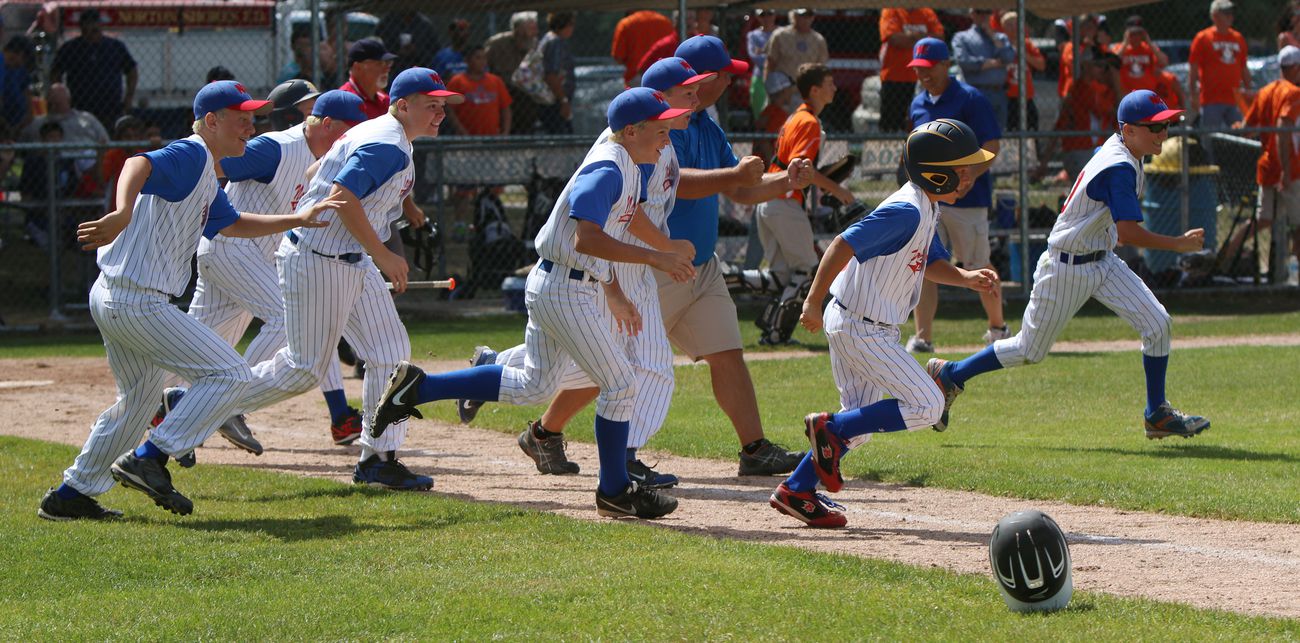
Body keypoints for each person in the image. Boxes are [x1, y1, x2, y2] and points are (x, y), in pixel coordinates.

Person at [371, 87, 696, 518]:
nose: (666, 135)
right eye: (659, 128)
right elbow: (588, 237)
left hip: (566, 283)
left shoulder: (633, 165)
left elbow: (607, 237)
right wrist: (656, 256)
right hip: (566, 289)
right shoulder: (608, 168)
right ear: (632, 130)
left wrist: (614, 291)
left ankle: (420, 387)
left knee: (534, 384)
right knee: (620, 383)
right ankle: (615, 490)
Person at [38, 81, 336, 520]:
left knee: (139, 402)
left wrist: (298, 218)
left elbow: (232, 223)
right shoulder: (192, 153)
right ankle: (149, 458)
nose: (250, 127)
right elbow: (136, 164)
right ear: (211, 121)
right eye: (241, 118)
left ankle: (71, 493)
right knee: (230, 372)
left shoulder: (206, 171)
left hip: (119, 295)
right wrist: (121, 213)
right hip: (137, 300)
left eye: (252, 117)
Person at [179, 68, 457, 496]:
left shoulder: (384, 134)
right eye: (430, 104)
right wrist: (383, 253)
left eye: (442, 105)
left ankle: (379, 459)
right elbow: (344, 194)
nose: (440, 113)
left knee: (391, 353)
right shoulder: (386, 142)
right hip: (320, 260)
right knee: (302, 368)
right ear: (402, 105)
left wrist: (370, 245)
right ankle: (192, 404)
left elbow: (317, 177)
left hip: (345, 257)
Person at [463, 56, 711, 485]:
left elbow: (627, 210)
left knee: (596, 368)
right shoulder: (627, 148)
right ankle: (623, 462)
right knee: (645, 367)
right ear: (655, 102)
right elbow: (613, 221)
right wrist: (661, 253)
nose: (695, 100)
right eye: (685, 94)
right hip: (607, 265)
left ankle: (499, 378)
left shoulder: (658, 141)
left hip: (608, 268)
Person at [927, 90, 1210, 442]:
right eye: (1153, 126)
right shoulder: (1120, 165)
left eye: (1165, 125)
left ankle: (1157, 414)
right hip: (1066, 267)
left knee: (1158, 324)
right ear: (1128, 129)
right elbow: (1127, 232)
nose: (1162, 134)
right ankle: (951, 374)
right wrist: (1178, 244)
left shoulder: (1124, 151)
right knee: (1029, 350)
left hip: (1102, 261)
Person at [769, 119, 1000, 528]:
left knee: (861, 423)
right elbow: (842, 243)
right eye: (962, 169)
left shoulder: (927, 206)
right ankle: (830, 428)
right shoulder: (906, 211)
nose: (970, 177)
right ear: (936, 171)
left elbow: (929, 261)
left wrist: (964, 277)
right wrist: (811, 300)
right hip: (861, 326)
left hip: (862, 323)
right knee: (928, 404)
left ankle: (797, 491)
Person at [652, 35, 812, 477]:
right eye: (725, 74)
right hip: (657, 267)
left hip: (701, 267)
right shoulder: (662, 122)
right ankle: (542, 425)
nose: (730, 81)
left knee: (728, 353)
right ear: (705, 79)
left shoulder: (706, 125)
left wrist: (784, 183)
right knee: (594, 365)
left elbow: (738, 189)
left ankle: (754, 449)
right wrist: (733, 173)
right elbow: (676, 182)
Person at [180, 89, 370, 456]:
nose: (353, 138)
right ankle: (227, 403)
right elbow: (213, 164)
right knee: (287, 320)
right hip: (232, 248)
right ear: (325, 125)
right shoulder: (276, 149)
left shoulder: (328, 161)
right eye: (348, 130)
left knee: (196, 342)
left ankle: (149, 406)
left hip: (246, 257)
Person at [904, 37, 1006, 353]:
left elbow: (991, 146)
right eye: (919, 68)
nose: (924, 74)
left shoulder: (971, 99)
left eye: (930, 66)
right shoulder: (918, 103)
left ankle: (998, 329)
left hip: (967, 200)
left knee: (977, 262)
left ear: (947, 64)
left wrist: (969, 176)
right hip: (929, 199)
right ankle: (923, 337)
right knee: (925, 265)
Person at [753, 62, 855, 346]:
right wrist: (838, 189)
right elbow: (802, 171)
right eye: (829, 83)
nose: (834, 87)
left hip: (769, 199)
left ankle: (729, 282)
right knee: (809, 270)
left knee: (781, 275)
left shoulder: (795, 117)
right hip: (784, 200)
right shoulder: (808, 121)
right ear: (815, 89)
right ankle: (775, 333)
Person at [1223, 46, 1300, 278]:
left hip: (1268, 167)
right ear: (1296, 68)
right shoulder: (1294, 93)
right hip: (1290, 169)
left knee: (1262, 220)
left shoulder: (1266, 91)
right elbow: (1282, 133)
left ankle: (1226, 256)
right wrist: (1286, 172)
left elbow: (1247, 129)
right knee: (1297, 226)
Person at [49, 9, 137, 129]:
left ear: (100, 25)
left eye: (95, 25)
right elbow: (55, 73)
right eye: (88, 25)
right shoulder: (71, 48)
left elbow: (132, 71)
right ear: (82, 27)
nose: (91, 30)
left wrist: (128, 97)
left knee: (109, 139)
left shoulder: (114, 46)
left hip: (110, 108)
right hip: (80, 107)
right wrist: (61, 98)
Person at [1052, 47, 1122, 182]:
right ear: (1086, 66)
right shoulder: (1084, 89)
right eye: (1098, 66)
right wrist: (1116, 83)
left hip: (1083, 150)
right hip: (1082, 150)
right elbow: (1116, 113)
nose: (1102, 70)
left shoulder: (1094, 89)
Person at [877, 7, 944, 132]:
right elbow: (895, 39)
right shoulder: (891, 11)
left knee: (922, 121)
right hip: (895, 78)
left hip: (924, 78)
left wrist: (911, 37)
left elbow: (939, 39)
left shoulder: (926, 12)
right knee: (891, 125)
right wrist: (925, 39)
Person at [1189, 0, 1250, 131]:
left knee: (1241, 137)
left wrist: (1248, 92)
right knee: (1210, 139)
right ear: (1214, 16)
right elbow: (1193, 69)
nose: (1230, 16)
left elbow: (1244, 67)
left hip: (1235, 100)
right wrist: (1193, 95)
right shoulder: (1202, 38)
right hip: (1211, 99)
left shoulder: (1238, 38)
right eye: (1226, 13)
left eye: (1231, 13)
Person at [952, 8, 1016, 127]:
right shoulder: (962, 37)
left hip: (999, 94)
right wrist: (994, 63)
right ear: (972, 14)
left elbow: (1008, 57)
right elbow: (965, 62)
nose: (984, 16)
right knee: (974, 135)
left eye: (987, 12)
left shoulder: (1000, 37)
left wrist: (992, 35)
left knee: (997, 136)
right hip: (975, 92)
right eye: (979, 12)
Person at [765, 9, 829, 118]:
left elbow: (821, 69)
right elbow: (770, 64)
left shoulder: (818, 40)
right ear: (793, 16)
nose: (805, 19)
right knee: (780, 129)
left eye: (809, 15)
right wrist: (769, 89)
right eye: (802, 15)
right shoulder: (780, 36)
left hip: (807, 94)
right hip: (783, 94)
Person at [485, 12, 539, 134]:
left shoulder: (535, 45)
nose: (535, 32)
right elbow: (483, 67)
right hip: (502, 91)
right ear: (518, 29)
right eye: (531, 28)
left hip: (526, 94)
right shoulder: (497, 44)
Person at [446, 45, 513, 136]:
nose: (483, 62)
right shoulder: (457, 81)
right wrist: (462, 132)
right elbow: (449, 110)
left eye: (484, 58)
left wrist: (505, 132)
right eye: (478, 58)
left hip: (492, 137)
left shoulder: (495, 81)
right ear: (467, 61)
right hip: (467, 138)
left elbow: (506, 108)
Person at [1001, 11, 1045, 132]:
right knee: (1010, 129)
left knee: (1032, 126)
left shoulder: (1026, 44)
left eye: (1016, 24)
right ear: (1003, 27)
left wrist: (1023, 53)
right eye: (1010, 25)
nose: (1014, 28)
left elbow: (1041, 65)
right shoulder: (1000, 44)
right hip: (1007, 96)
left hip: (1026, 95)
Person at [612, 10, 675, 85]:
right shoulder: (665, 21)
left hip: (636, 77)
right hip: (664, 76)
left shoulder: (626, 23)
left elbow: (619, 57)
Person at [538, 12, 577, 135]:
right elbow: (551, 74)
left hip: (553, 98)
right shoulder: (555, 42)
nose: (572, 28)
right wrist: (563, 100)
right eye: (571, 24)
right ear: (562, 25)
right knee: (562, 135)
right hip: (555, 100)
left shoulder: (548, 38)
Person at [339, 38, 396, 120]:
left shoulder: (385, 100)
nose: (387, 69)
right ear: (358, 67)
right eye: (379, 64)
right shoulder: (344, 101)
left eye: (387, 63)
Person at [1111, 17, 1168, 94]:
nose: (1136, 37)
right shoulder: (1119, 48)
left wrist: (1149, 42)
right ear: (1127, 34)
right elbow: (1112, 63)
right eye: (1133, 34)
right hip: (1127, 94)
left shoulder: (1148, 48)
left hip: (1147, 93)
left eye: (1139, 33)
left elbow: (1163, 62)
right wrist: (1125, 43)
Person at [376, 10, 439, 78]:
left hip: (419, 68)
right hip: (393, 69)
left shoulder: (424, 24)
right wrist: (397, 52)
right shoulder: (387, 22)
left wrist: (417, 50)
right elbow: (379, 48)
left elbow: (434, 50)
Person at [2, 36, 35, 132]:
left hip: (19, 124)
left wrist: (19, 127)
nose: (21, 65)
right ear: (20, 54)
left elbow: (27, 96)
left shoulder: (20, 71)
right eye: (25, 60)